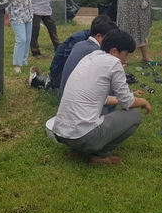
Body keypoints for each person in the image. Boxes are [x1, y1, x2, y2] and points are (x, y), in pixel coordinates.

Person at [49, 29, 152, 164]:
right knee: (134, 115)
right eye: (126, 54)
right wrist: (143, 101)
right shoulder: (114, 63)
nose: (126, 59)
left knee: (102, 109)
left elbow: (97, 98)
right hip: (82, 136)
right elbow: (128, 102)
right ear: (114, 51)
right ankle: (100, 155)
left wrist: (120, 99)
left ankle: (76, 149)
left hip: (61, 132)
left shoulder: (90, 57)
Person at [41, 14, 116, 91]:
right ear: (99, 34)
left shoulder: (91, 38)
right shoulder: (80, 40)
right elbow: (70, 63)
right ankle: (50, 83)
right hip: (61, 74)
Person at [58, 17, 118, 98]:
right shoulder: (98, 52)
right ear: (98, 36)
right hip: (80, 101)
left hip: (64, 95)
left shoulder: (79, 44)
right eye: (109, 39)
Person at [2, 0, 33, 73]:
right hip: (16, 15)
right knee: (21, 39)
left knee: (28, 39)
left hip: (28, 13)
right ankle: (17, 64)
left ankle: (24, 60)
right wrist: (6, 16)